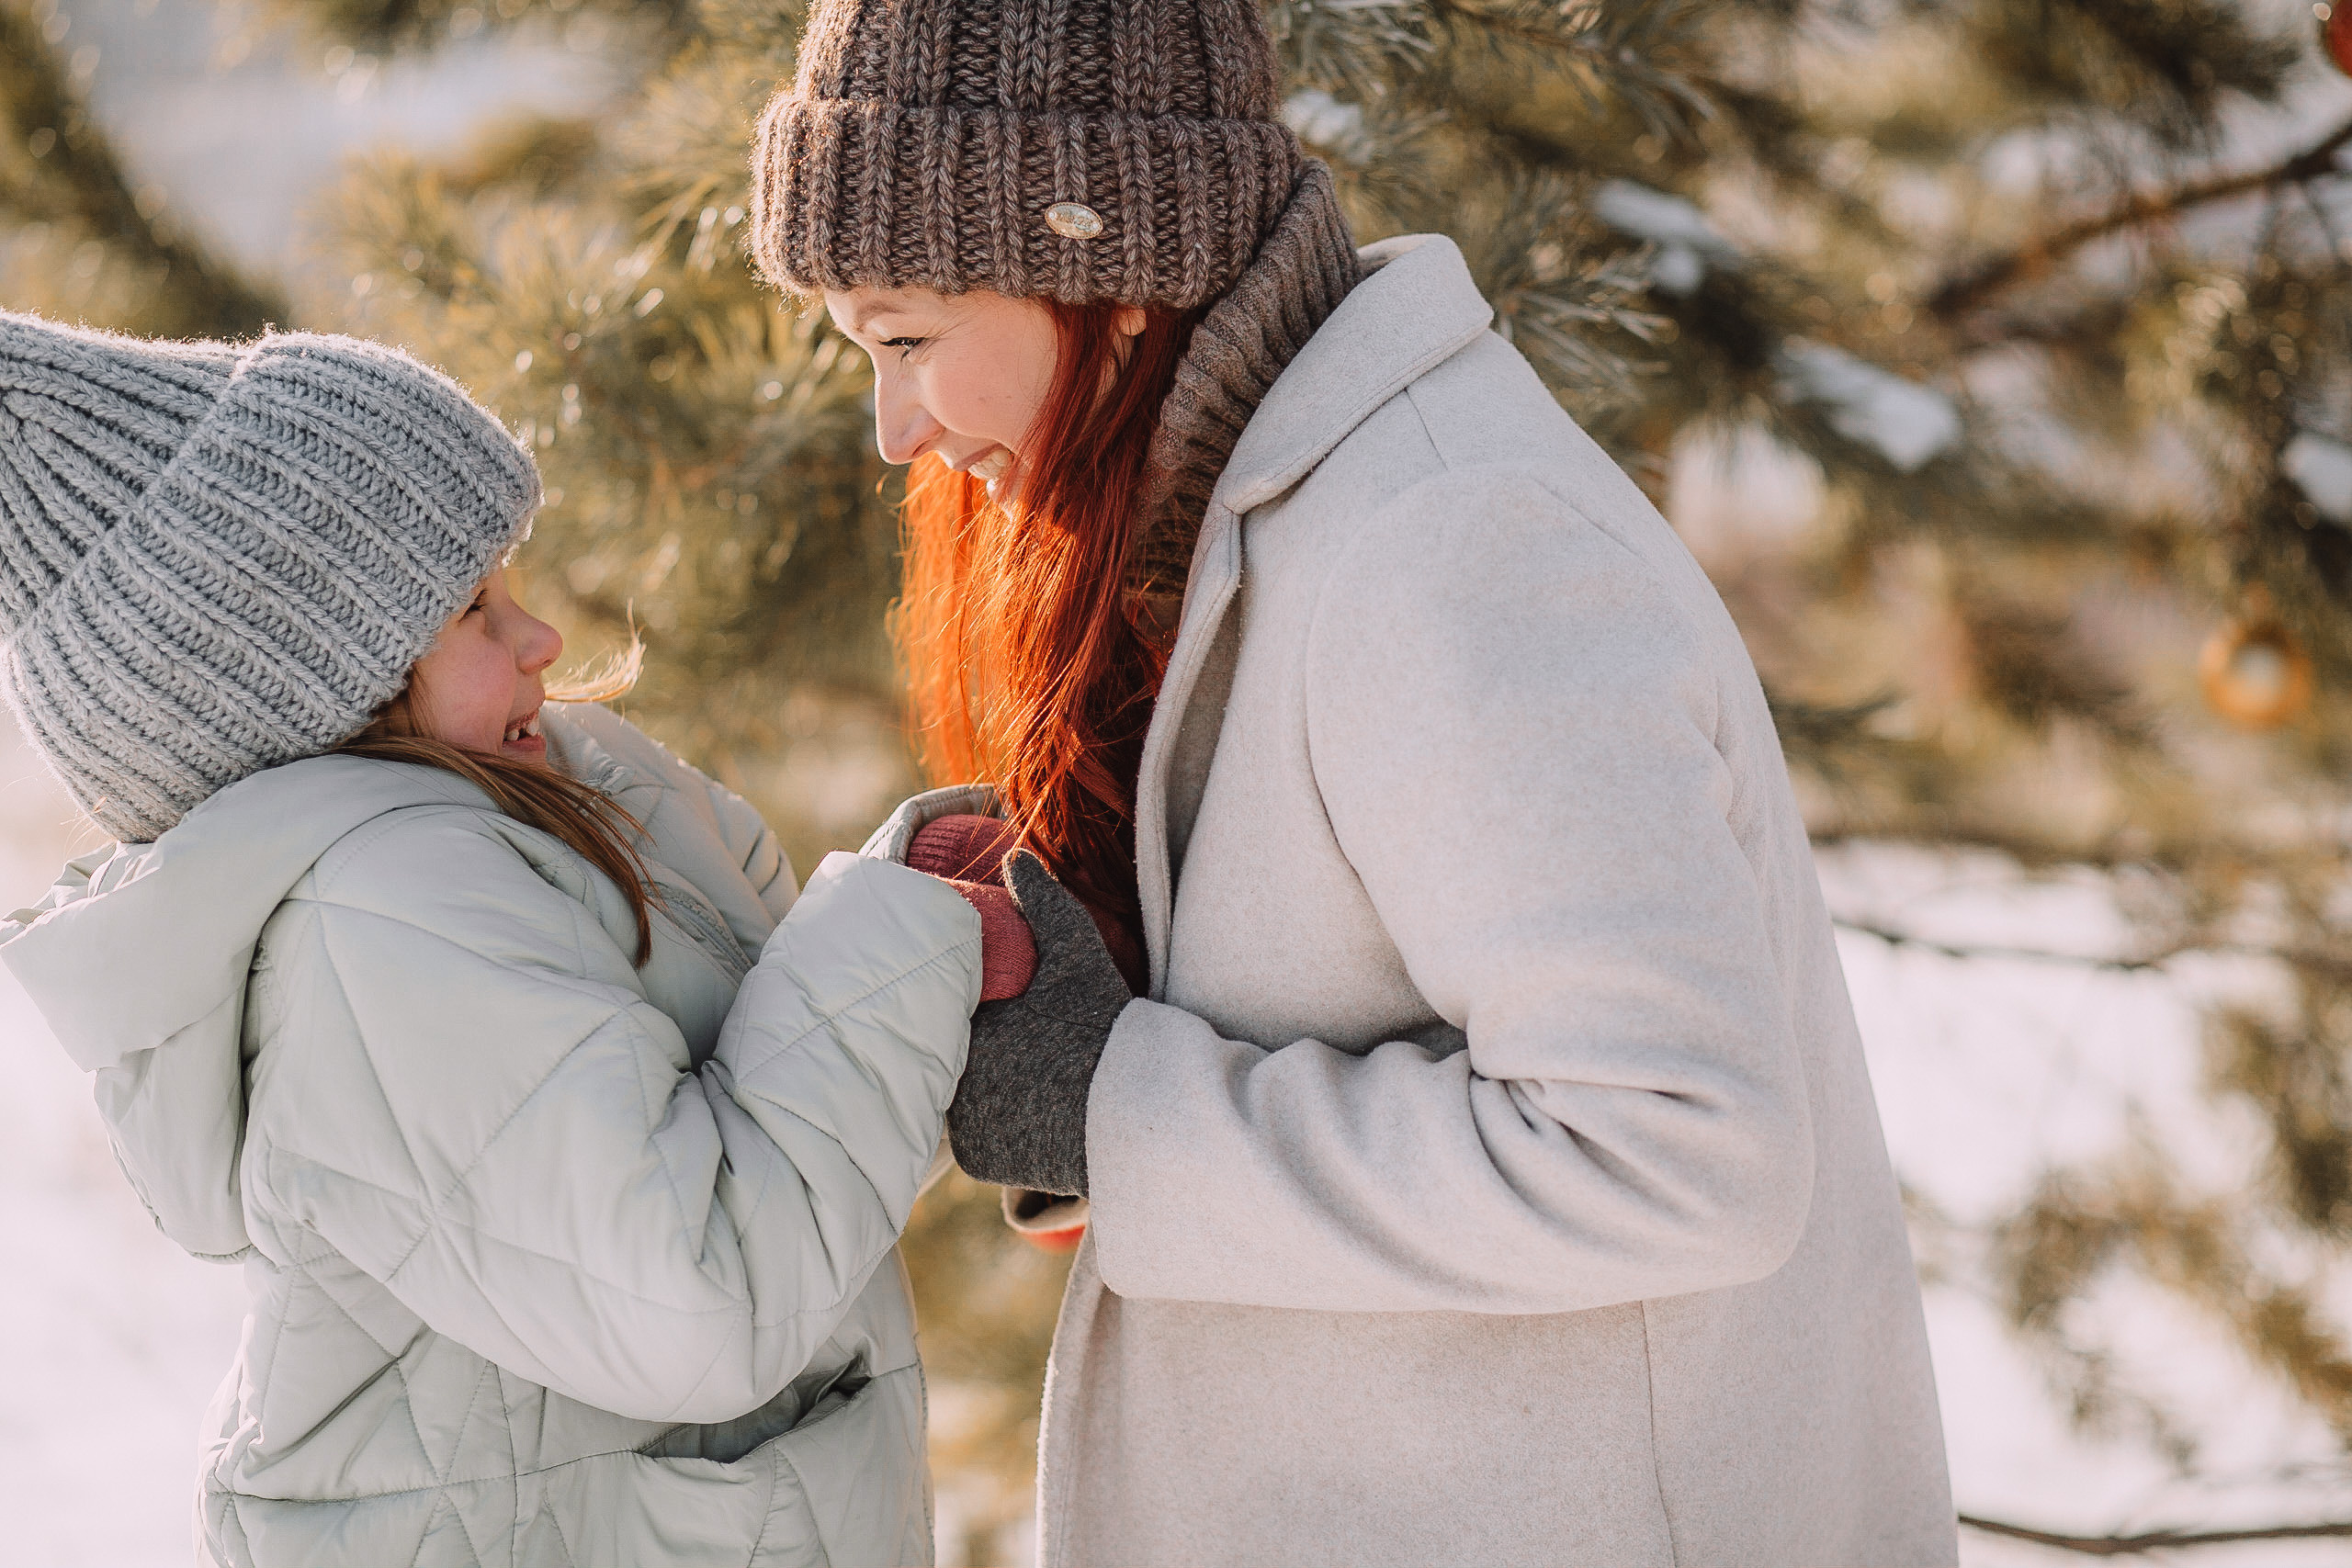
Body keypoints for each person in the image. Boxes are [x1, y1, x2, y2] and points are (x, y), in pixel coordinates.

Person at [751, 1, 1961, 1563]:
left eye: (906, 338)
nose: (890, 428)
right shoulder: (1280, 506)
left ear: (1108, 274)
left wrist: (1111, 1103)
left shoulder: (1446, 546)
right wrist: (1093, 941)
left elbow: (1681, 1151)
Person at [0, 313, 1013, 1567]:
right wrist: (904, 923)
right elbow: (698, 1298)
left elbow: (780, 1112)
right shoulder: (383, 922)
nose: (540, 639)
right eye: (476, 610)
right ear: (324, 690)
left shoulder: (540, 808)